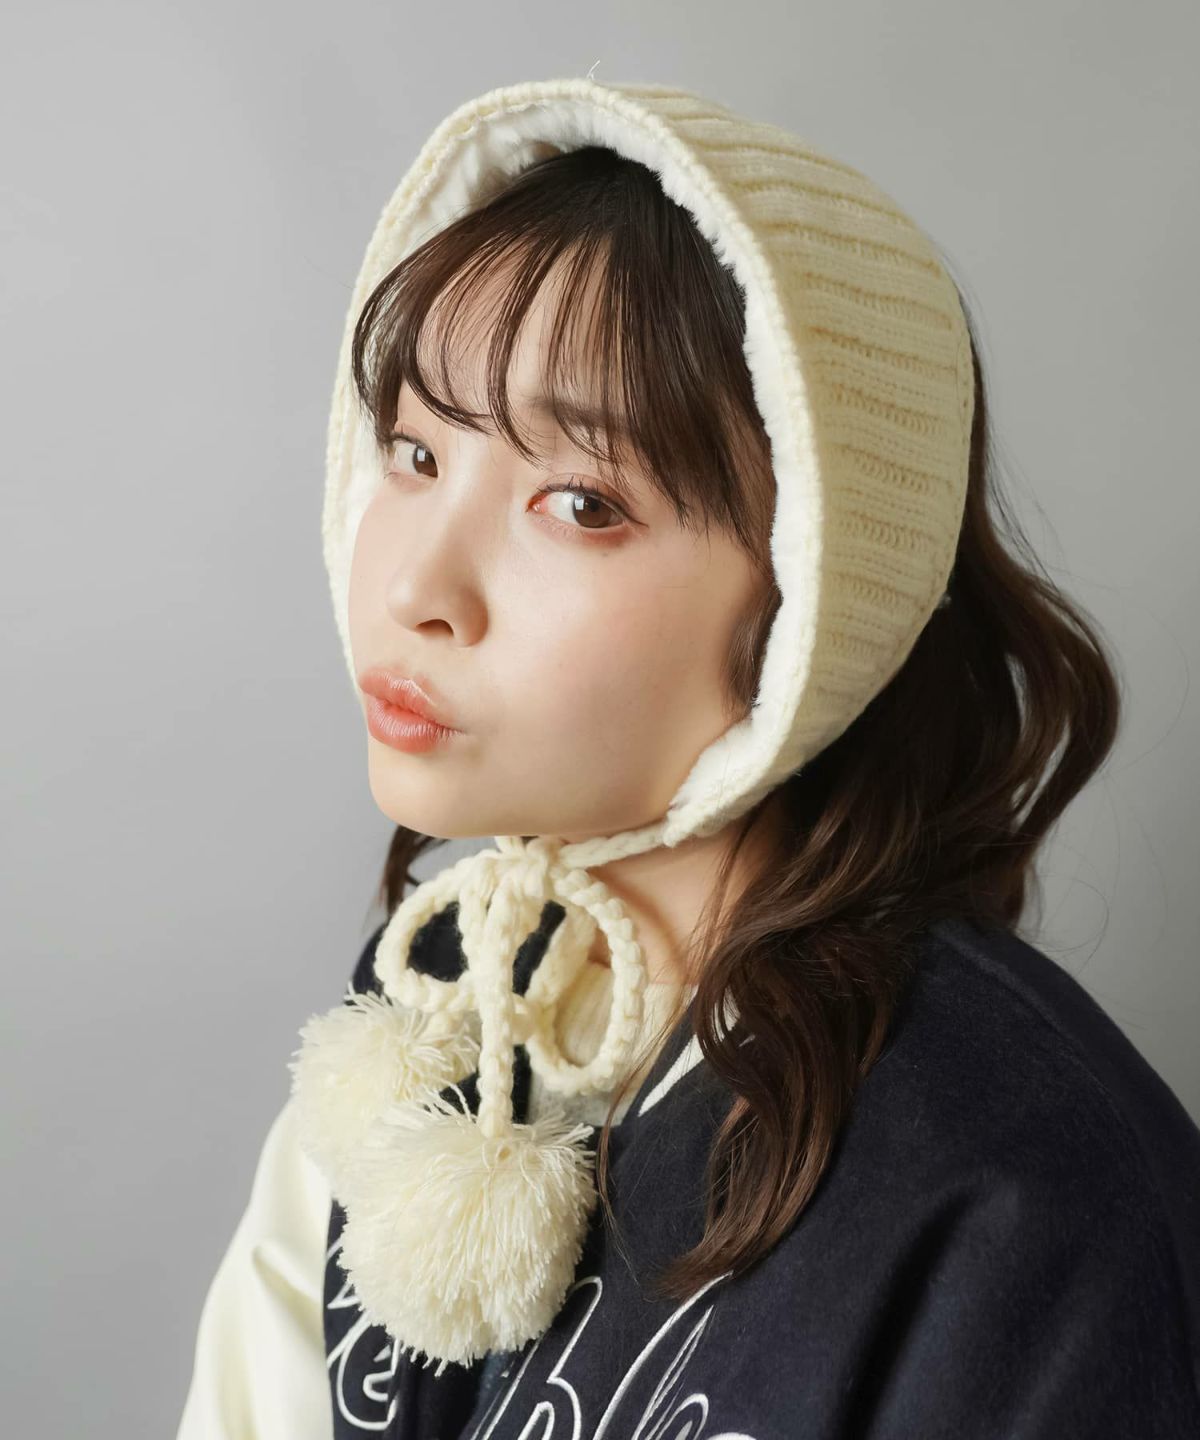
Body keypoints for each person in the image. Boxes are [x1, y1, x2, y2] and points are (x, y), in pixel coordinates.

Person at [175, 76, 1200, 1439]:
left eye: (578, 501)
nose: (418, 585)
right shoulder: (431, 1020)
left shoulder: (1021, 1186)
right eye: (413, 451)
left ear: (815, 583)